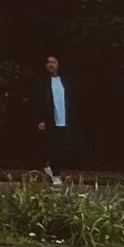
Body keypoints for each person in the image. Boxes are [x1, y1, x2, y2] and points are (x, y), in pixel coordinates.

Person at [35, 56, 74, 184]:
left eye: (53, 62)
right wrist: (41, 119)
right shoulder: (42, 82)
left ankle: (52, 168)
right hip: (50, 120)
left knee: (61, 147)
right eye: (48, 62)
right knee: (52, 146)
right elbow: (39, 102)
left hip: (64, 120)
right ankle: (55, 174)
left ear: (58, 64)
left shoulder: (65, 81)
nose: (51, 65)